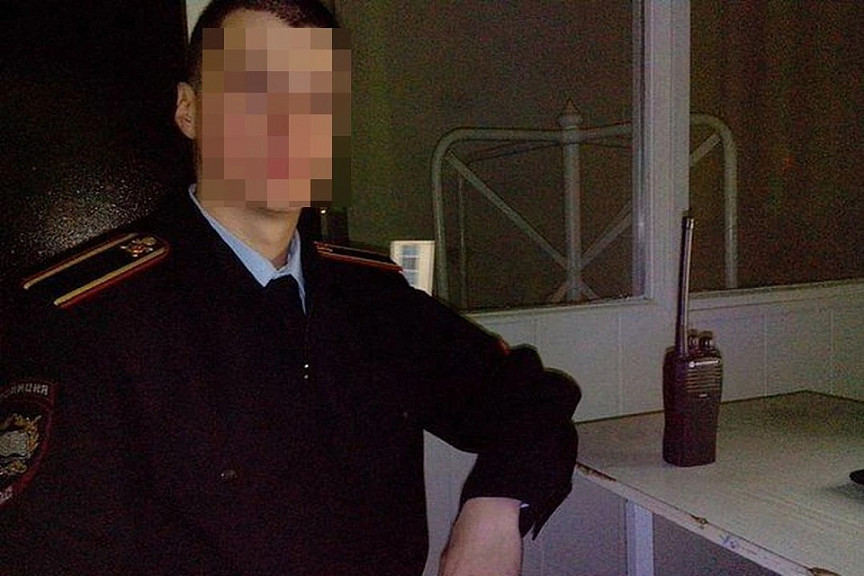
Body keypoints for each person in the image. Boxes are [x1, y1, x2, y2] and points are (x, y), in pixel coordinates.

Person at [0, 1, 580, 575]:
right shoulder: (87, 324)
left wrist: (496, 507)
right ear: (189, 110)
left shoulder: (372, 300)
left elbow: (529, 399)